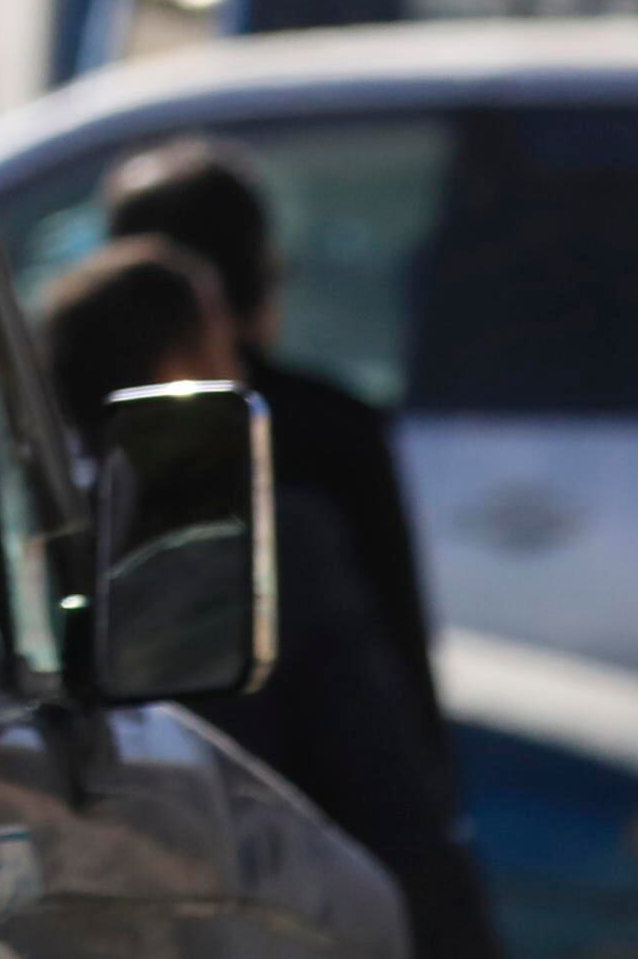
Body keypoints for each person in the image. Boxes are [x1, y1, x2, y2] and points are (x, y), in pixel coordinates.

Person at [39, 239, 497, 959]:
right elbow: (386, 792)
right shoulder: (277, 547)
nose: (244, 378)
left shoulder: (18, 546)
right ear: (177, 375)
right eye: (224, 357)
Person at [103, 138, 447, 769]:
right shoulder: (334, 431)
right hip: (307, 791)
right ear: (261, 273)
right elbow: (397, 648)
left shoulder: (77, 428)